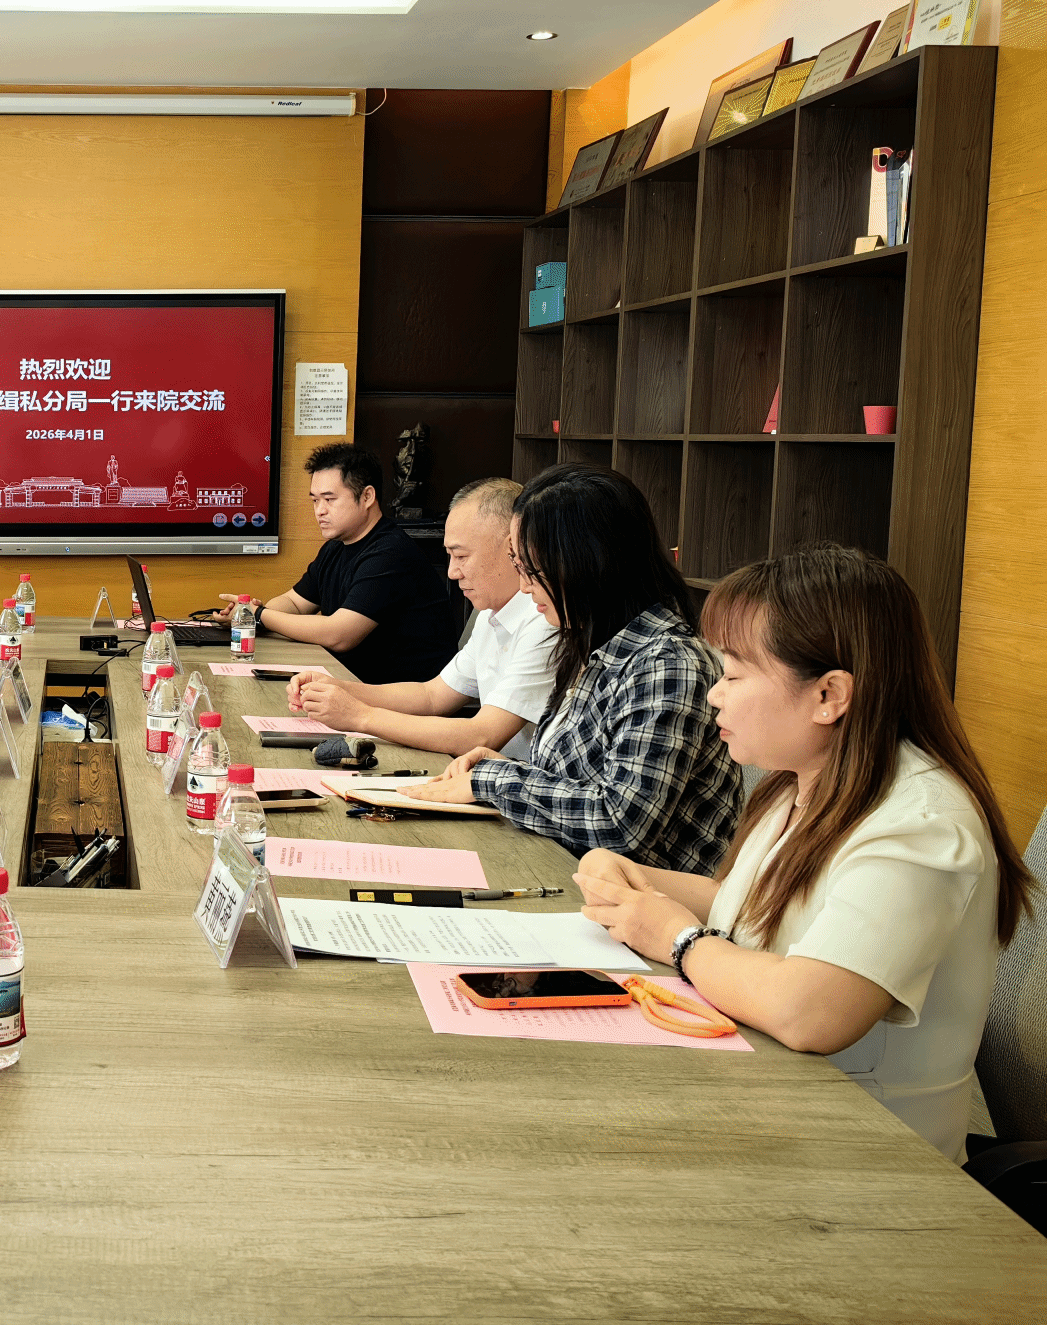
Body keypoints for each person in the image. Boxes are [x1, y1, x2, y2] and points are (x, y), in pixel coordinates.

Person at [574, 544, 1034, 1163]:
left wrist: (678, 938)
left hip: (865, 1157)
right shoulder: (801, 781)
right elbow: (759, 907)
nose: (714, 695)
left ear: (828, 695)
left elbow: (809, 1011)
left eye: (734, 674)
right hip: (768, 1100)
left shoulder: (921, 826)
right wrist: (633, 880)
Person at [401, 463, 741, 874]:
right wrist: (510, 770)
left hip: (638, 899)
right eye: (519, 566)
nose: (524, 587)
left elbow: (619, 822)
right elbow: (579, 779)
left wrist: (493, 781)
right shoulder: (585, 639)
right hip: (564, 869)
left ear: (586, 564)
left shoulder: (667, 663)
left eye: (532, 570)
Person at [288, 477, 559, 758]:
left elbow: (481, 735)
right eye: (449, 556)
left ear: (511, 548)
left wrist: (360, 716)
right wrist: (337, 688)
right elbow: (433, 696)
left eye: (461, 556)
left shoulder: (545, 619)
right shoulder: (492, 611)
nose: (452, 572)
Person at [225, 442, 460, 684]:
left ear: (367, 496)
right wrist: (247, 615)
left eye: (329, 499)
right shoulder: (335, 547)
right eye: (315, 500)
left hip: (403, 698)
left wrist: (258, 615)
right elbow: (294, 603)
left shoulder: (390, 552)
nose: (320, 511)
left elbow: (339, 635)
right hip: (354, 685)